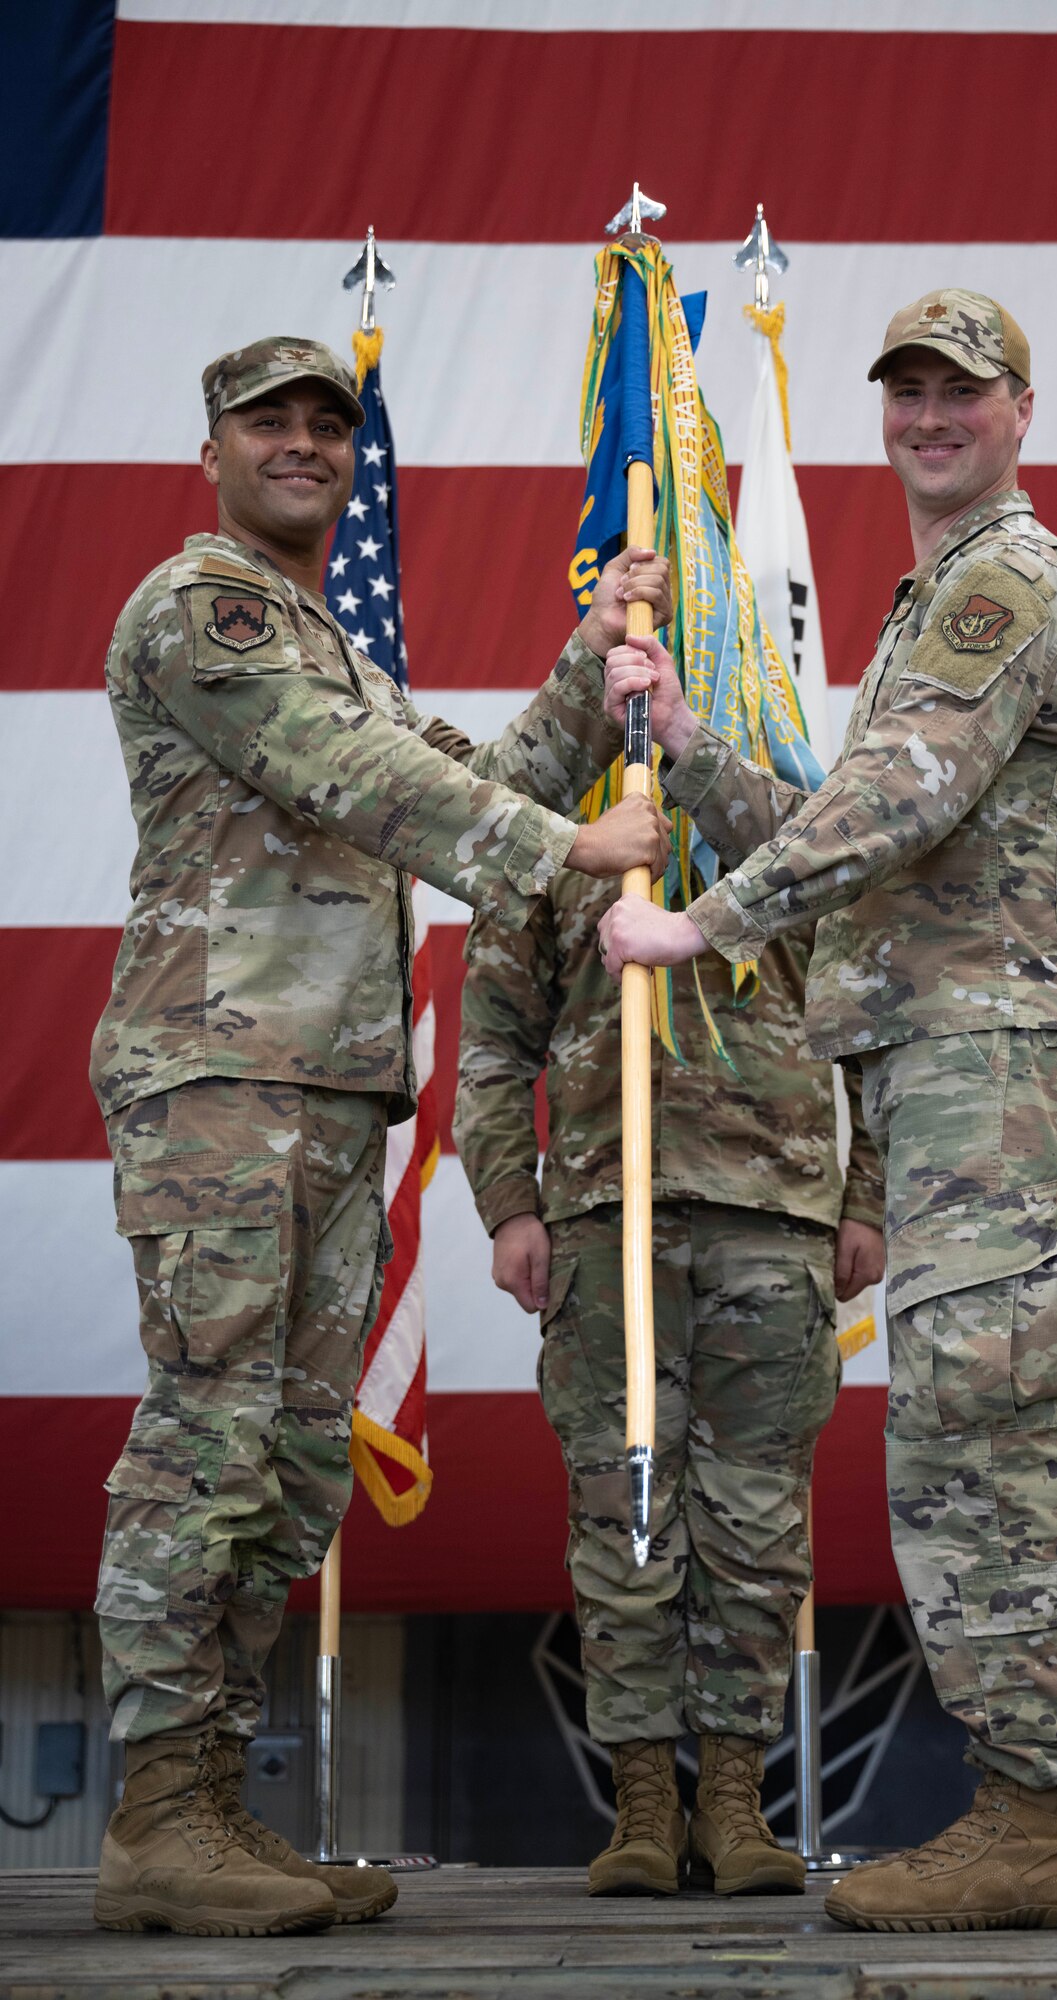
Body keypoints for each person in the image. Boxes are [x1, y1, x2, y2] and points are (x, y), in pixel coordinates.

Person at [89, 335, 672, 1938]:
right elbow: (368, 786)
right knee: (206, 1439)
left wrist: (588, 650)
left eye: (323, 427)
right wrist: (578, 851)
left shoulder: (326, 639)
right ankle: (154, 1811)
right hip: (222, 1080)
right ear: (212, 447)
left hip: (329, 1089)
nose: (301, 446)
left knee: (284, 1456)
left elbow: (458, 769)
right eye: (267, 422)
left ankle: (205, 1799)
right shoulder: (203, 612)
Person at [597, 290, 1057, 1931]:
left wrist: (697, 922)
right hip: (944, 1063)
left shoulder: (1008, 579)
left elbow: (900, 798)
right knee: (960, 1425)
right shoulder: (932, 600)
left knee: (986, 1426)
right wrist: (687, 754)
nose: (926, 416)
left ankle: (1035, 1820)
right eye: (903, 390)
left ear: (1019, 412)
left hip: (997, 1059)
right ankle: (1021, 1805)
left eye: (958, 391)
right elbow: (869, 818)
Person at [454, 843, 884, 1896]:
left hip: (775, 1211)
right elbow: (495, 1040)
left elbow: (873, 1011)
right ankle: (643, 1796)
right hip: (607, 1215)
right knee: (622, 1507)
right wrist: (511, 1200)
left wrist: (866, 1194)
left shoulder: (791, 812)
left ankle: (734, 1795)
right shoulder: (564, 837)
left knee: (757, 1519)